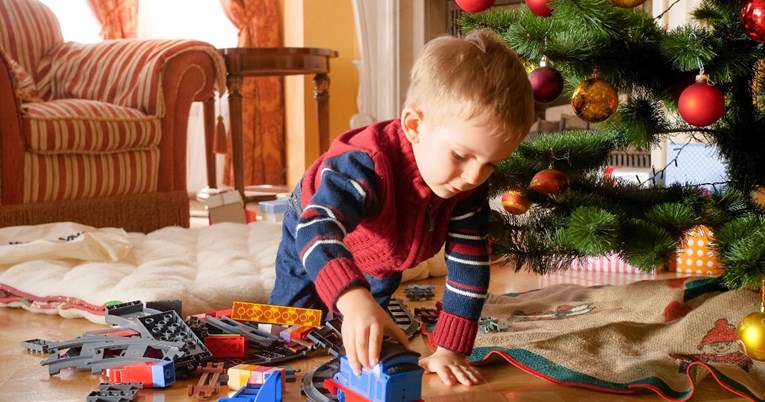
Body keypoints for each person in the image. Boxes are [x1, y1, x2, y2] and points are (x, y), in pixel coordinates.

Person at [268, 28, 534, 387]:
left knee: (370, 331)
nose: (474, 176)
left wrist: (449, 349)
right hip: (314, 219)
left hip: (387, 250)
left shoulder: (466, 186)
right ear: (414, 126)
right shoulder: (364, 163)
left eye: (490, 164)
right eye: (461, 155)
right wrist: (353, 299)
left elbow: (469, 266)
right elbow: (317, 229)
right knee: (293, 321)